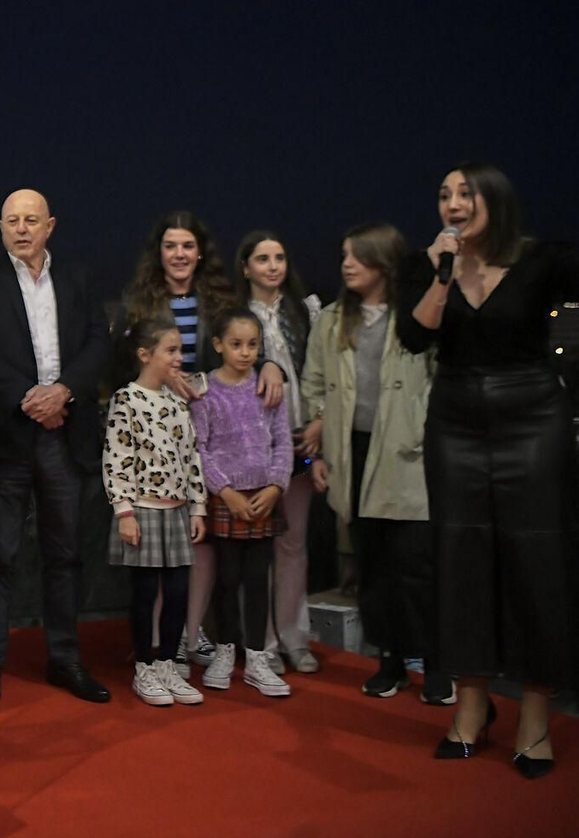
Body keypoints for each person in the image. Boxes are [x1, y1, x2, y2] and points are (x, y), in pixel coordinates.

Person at [399, 162, 579, 778]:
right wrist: (441, 276)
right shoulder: (426, 264)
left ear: (494, 201)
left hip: (533, 418)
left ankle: (534, 714)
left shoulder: (545, 259)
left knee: (537, 561)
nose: (451, 203)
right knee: (461, 558)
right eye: (443, 193)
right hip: (455, 423)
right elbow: (415, 339)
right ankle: (471, 706)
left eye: (464, 193)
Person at [0, 189, 112, 705]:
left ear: (50, 225)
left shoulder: (80, 278)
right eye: (11, 221)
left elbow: (97, 341)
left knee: (65, 556)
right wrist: (29, 398)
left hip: (65, 433)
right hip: (7, 435)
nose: (21, 229)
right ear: (0, 227)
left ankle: (66, 658)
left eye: (31, 220)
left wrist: (62, 391)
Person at [115, 212, 285, 670]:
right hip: (158, 431)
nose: (179, 255)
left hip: (215, 426)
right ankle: (152, 647)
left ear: (200, 252)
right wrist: (166, 383)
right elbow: (127, 364)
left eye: (187, 246)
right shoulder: (138, 301)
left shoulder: (220, 298)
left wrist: (273, 366)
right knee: (158, 547)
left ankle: (194, 637)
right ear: (159, 252)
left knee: (203, 542)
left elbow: (246, 346)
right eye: (170, 246)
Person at [301, 223, 443, 701]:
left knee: (417, 565)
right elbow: (313, 386)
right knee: (372, 564)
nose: (347, 264)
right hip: (351, 453)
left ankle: (438, 664)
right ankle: (391, 660)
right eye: (344, 254)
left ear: (385, 262)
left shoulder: (417, 315)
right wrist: (317, 446)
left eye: (357, 256)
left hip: (407, 455)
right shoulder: (333, 318)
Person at [103, 315, 209, 707]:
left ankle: (167, 663)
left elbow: (192, 456)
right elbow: (117, 458)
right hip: (143, 510)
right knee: (145, 592)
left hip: (177, 510)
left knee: (178, 591)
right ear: (145, 354)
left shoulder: (178, 402)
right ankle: (144, 666)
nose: (178, 358)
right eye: (171, 350)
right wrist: (124, 511)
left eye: (180, 350)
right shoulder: (126, 399)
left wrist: (197, 506)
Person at [190, 307, 293, 697]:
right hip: (227, 500)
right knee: (227, 578)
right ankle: (224, 650)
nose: (245, 352)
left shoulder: (268, 389)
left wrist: (275, 486)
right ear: (218, 345)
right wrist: (225, 491)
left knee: (257, 581)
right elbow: (200, 447)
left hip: (264, 498)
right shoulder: (206, 393)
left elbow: (283, 441)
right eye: (236, 344)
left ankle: (255, 658)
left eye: (253, 345)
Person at [237, 231, 322, 676]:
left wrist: (318, 422)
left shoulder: (305, 312)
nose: (273, 266)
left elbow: (318, 373)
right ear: (246, 266)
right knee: (258, 547)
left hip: (298, 438)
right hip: (253, 447)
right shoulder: (235, 317)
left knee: (294, 543)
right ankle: (261, 643)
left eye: (280, 257)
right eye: (263, 258)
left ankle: (294, 637)